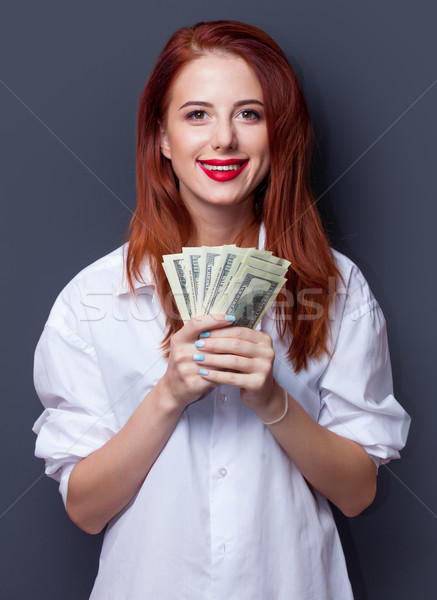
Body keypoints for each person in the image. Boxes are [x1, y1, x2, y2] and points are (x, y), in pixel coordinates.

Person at [32, 20, 410, 600]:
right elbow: (84, 509)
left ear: (277, 134)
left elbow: (358, 494)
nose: (225, 141)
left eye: (250, 114)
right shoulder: (92, 298)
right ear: (162, 137)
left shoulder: (336, 286)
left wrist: (273, 399)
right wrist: (167, 396)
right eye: (198, 115)